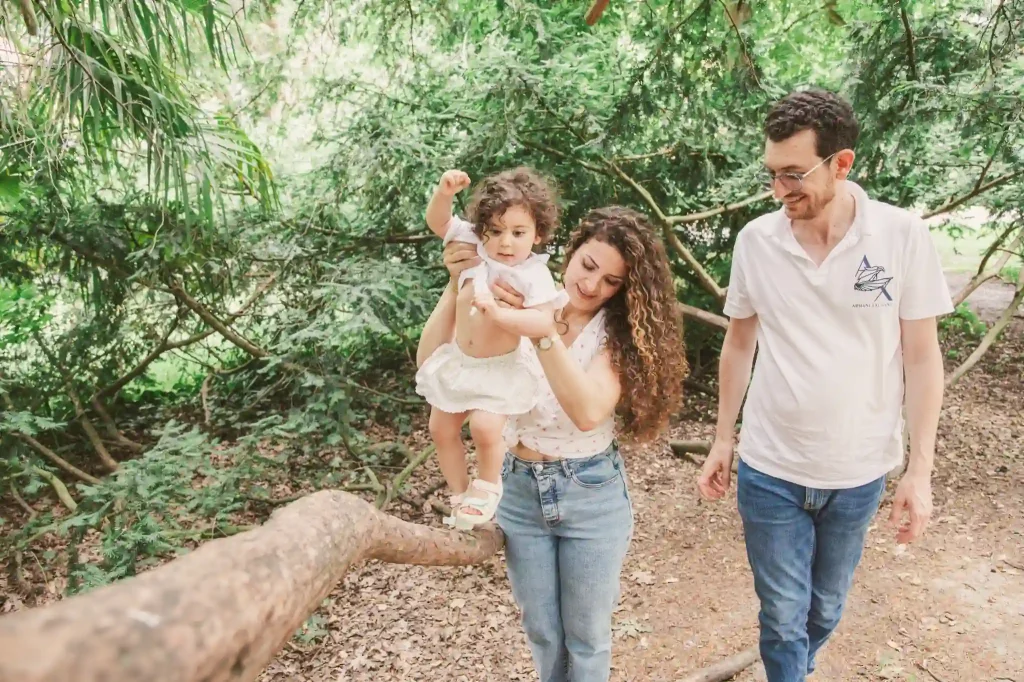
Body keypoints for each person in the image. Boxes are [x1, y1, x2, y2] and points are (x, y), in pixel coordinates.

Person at [697, 88, 953, 682]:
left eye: (793, 174)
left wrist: (919, 471)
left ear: (841, 164)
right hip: (770, 468)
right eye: (771, 174)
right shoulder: (756, 242)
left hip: (859, 471)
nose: (778, 190)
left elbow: (922, 358)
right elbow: (739, 344)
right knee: (782, 615)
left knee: (825, 609)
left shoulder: (900, 236)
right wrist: (722, 438)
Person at [418, 205, 687, 682]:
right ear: (570, 250)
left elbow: (587, 412)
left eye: (611, 281)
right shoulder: (515, 294)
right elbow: (432, 360)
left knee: (586, 638)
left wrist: (543, 336)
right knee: (542, 632)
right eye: (588, 265)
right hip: (520, 488)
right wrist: (459, 283)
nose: (592, 285)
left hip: (589, 493)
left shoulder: (617, 336)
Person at [416, 167, 567, 530]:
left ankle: (487, 486)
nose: (505, 243)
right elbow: (438, 222)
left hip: (501, 369)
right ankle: (459, 494)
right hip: (462, 363)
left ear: (538, 233)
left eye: (518, 233)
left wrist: (501, 314)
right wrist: (444, 193)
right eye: (495, 231)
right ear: (482, 228)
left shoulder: (532, 273)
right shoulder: (474, 248)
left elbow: (543, 321)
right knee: (440, 427)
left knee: (485, 427)